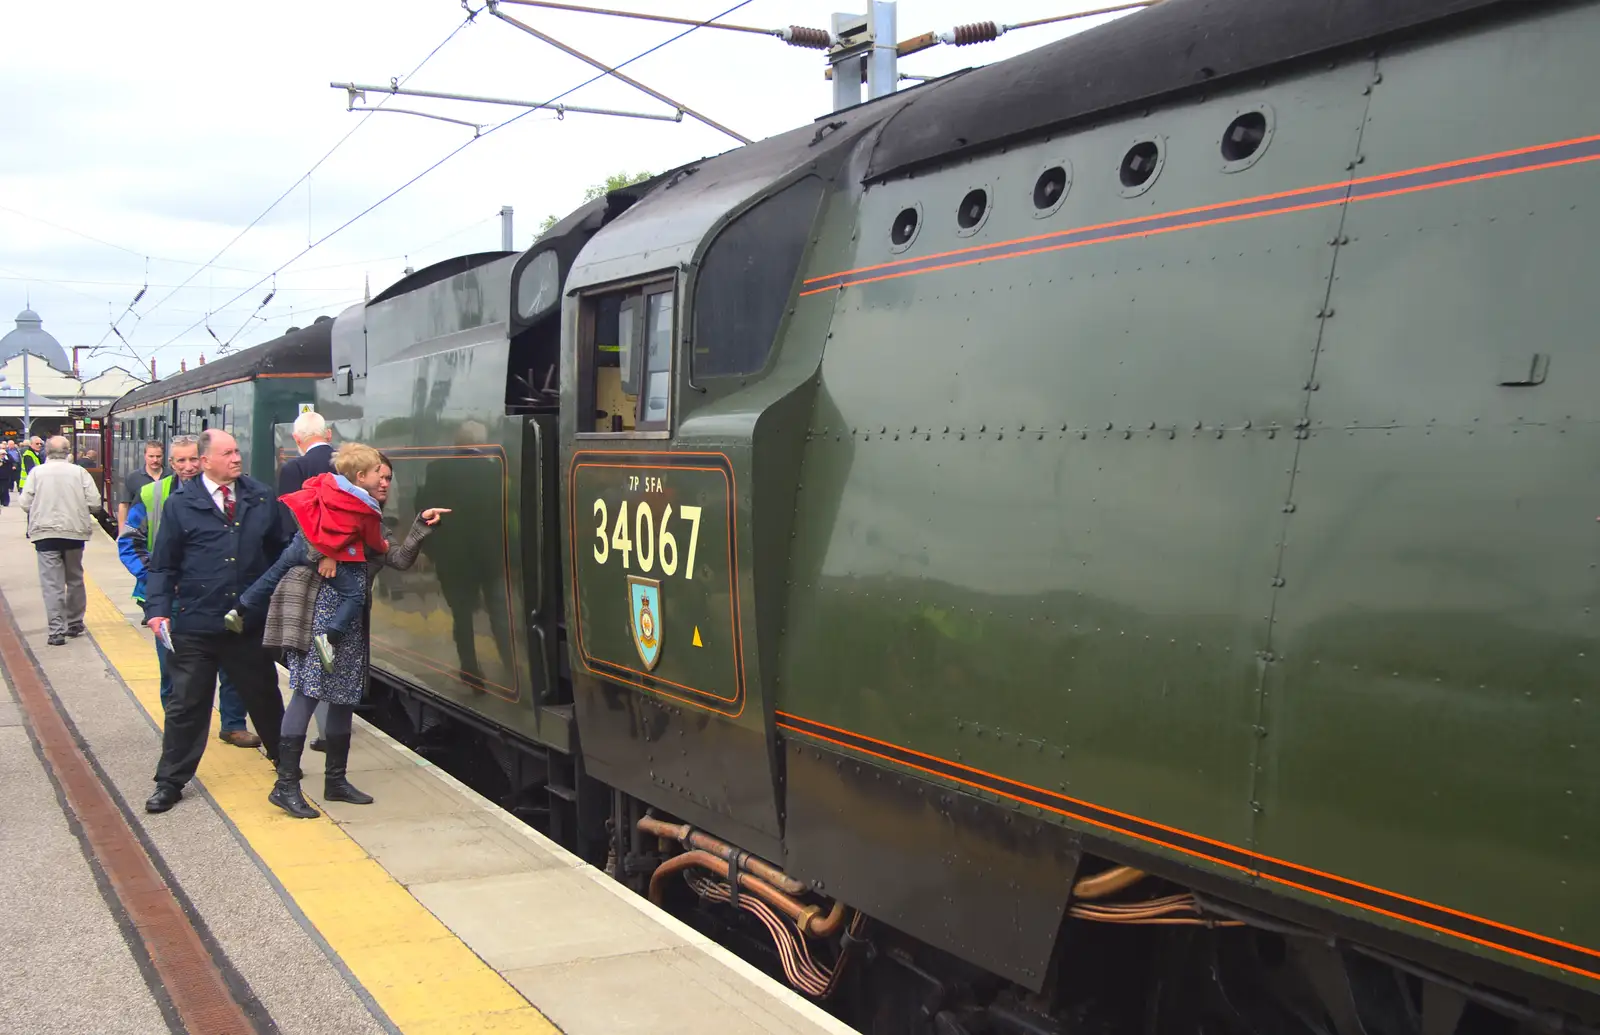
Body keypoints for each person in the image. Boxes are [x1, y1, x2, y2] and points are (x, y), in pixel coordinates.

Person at [261, 455, 449, 818]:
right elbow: (302, 543)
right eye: (381, 476)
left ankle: (336, 781)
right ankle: (284, 785)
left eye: (390, 478)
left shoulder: (374, 523)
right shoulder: (329, 510)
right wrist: (324, 553)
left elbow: (397, 559)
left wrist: (419, 528)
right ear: (358, 477)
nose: (386, 484)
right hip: (319, 618)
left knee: (344, 697)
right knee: (308, 694)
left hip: (352, 623)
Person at [142, 429, 290, 814]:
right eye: (227, 453)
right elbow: (163, 563)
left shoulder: (260, 497)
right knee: (186, 705)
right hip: (196, 622)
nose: (237, 458)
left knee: (265, 697)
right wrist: (157, 610)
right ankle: (170, 781)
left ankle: (286, 768)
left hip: (245, 622)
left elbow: (281, 551)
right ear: (205, 461)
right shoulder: (181, 504)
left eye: (238, 451)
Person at [117, 435, 260, 748]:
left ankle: (233, 724)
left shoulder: (231, 495)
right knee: (172, 666)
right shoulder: (153, 495)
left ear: (204, 459)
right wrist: (154, 576)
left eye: (193, 459)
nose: (188, 466)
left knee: (231, 662)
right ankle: (176, 728)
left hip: (219, 594)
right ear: (171, 464)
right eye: (180, 461)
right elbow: (129, 541)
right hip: (171, 598)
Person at [229, 443, 390, 672]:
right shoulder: (366, 506)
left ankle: (239, 609)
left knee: (273, 574)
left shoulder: (327, 483)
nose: (381, 478)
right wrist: (383, 546)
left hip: (299, 544)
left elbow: (306, 500)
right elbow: (373, 539)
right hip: (322, 555)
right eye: (377, 472)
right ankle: (330, 638)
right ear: (362, 476)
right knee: (354, 594)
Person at [276, 410, 337, 748]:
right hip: (347, 568)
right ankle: (336, 729)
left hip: (308, 573)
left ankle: (322, 732)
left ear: (297, 440)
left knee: (311, 652)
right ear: (328, 434)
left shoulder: (293, 469)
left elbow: (289, 526)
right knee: (338, 649)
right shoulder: (346, 463)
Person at [18, 436, 105, 645]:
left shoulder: (36, 473)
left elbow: (24, 502)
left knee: (52, 583)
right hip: (74, 533)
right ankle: (74, 622)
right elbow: (95, 502)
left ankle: (56, 631)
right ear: (68, 451)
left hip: (45, 534)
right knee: (74, 578)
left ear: (46, 452)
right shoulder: (79, 472)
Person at [119, 440, 164, 531]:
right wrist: (122, 532)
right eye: (151, 456)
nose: (155, 460)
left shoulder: (172, 477)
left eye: (158, 456)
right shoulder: (133, 477)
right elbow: (124, 505)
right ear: (145, 456)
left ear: (163, 456)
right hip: (138, 529)